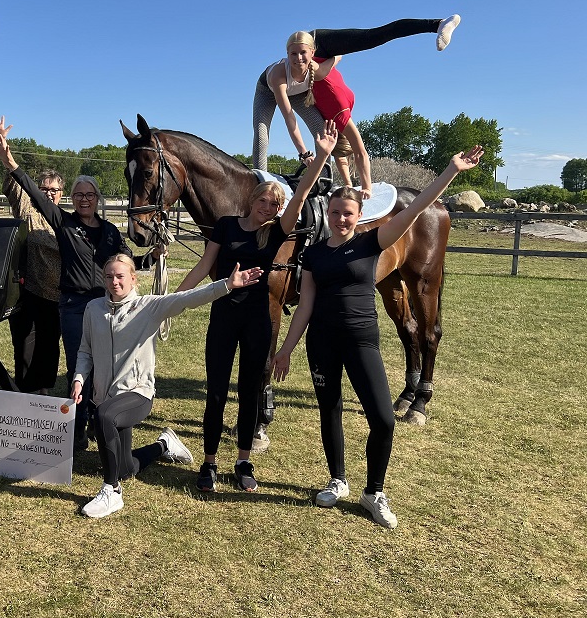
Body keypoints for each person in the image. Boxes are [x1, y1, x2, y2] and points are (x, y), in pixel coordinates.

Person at [272, 146, 484, 528]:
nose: (340, 219)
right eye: (335, 213)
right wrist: (286, 350)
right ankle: (337, 480)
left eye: (348, 214)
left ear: (359, 217)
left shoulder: (371, 242)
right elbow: (304, 306)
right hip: (322, 341)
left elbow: (417, 206)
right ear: (328, 214)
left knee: (384, 419)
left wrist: (450, 170)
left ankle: (374, 491)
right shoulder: (314, 255)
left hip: (361, 340)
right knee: (330, 411)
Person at [176, 120, 340, 493]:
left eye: (274, 204)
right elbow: (205, 267)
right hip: (223, 318)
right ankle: (210, 462)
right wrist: (177, 300)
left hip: (257, 322)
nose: (268, 207)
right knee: (216, 391)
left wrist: (322, 158)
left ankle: (243, 459)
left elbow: (299, 199)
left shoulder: (276, 231)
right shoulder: (226, 226)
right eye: (263, 200)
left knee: (250, 391)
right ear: (251, 201)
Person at [0, 118, 154, 450]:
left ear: (97, 197)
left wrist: (150, 258)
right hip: (75, 306)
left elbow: (124, 261)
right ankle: (76, 430)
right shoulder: (63, 224)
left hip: (106, 307)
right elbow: (33, 192)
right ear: (72, 199)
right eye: (78, 194)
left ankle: (100, 421)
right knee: (80, 367)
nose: (83, 199)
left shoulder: (108, 231)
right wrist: (9, 160)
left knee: (106, 368)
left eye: (89, 194)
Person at [73, 254, 263, 518]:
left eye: (120, 276)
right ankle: (164, 445)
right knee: (126, 468)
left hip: (137, 394)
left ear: (132, 278)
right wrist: (79, 379)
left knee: (105, 418)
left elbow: (187, 299)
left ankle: (111, 492)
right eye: (109, 277)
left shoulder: (148, 307)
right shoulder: (93, 309)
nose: (114, 282)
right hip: (106, 396)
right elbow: (85, 351)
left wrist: (227, 285)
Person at [252, 16, 462, 171]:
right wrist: (303, 153)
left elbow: (334, 60)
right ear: (287, 54)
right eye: (293, 54)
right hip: (267, 93)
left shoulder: (318, 68)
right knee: (262, 133)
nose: (298, 58)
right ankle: (258, 178)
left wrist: (338, 53)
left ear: (313, 53)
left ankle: (438, 24)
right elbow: (289, 118)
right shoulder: (279, 75)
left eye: (303, 53)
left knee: (322, 132)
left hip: (301, 88)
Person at [0, 116, 64, 394]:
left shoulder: (65, 222)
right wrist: (5, 155)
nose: (48, 193)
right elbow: (16, 183)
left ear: (61, 194)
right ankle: (23, 402)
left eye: (53, 190)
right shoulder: (28, 212)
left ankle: (43, 402)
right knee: (24, 351)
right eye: (43, 188)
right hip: (28, 295)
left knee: (49, 353)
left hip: (57, 300)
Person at [301, 49, 373, 197]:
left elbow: (356, 154)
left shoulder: (340, 118)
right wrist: (366, 187)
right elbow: (360, 153)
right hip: (321, 65)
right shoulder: (342, 117)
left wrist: (351, 184)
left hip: (318, 66)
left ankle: (349, 182)